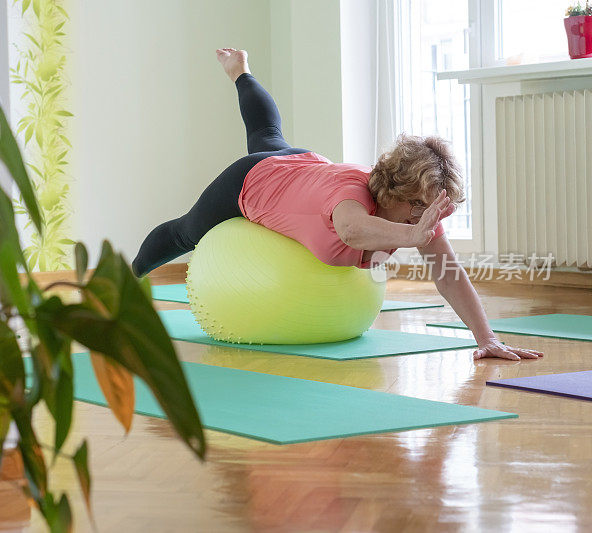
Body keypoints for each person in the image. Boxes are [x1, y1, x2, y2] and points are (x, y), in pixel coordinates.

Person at [132, 48, 543, 361]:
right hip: (254, 181)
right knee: (185, 232)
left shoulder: (418, 216)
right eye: (416, 205)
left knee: (267, 131)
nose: (423, 217)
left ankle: (240, 69)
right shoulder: (353, 197)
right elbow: (350, 229)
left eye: (429, 207)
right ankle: (126, 278)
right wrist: (412, 233)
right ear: (392, 190)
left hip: (302, 166)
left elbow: (448, 275)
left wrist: (486, 339)